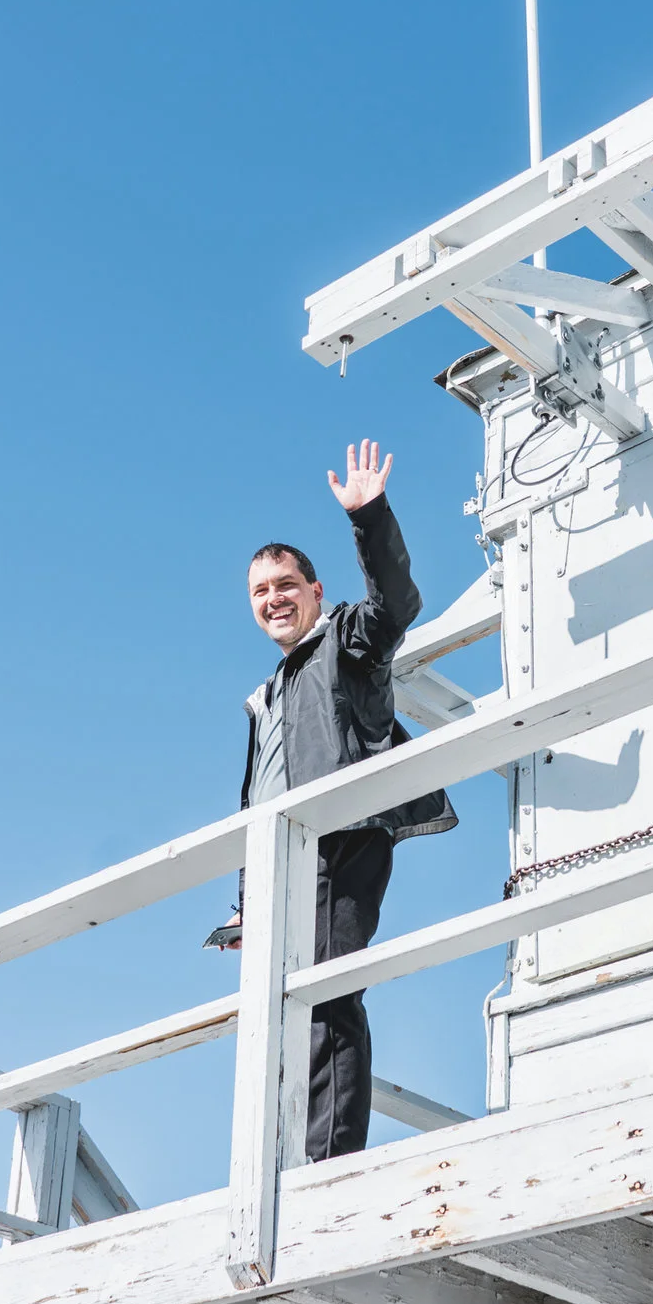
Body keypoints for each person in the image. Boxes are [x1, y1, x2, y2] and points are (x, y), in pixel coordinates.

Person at [211, 439, 456, 1161]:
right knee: (278, 1014)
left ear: (314, 593)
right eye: (259, 593)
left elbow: (397, 603)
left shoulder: (346, 642)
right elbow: (263, 796)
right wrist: (248, 899)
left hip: (341, 841)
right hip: (284, 862)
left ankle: (329, 1160)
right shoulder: (267, 696)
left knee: (328, 994)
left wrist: (368, 516)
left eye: (285, 584)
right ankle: (284, 1157)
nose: (273, 599)